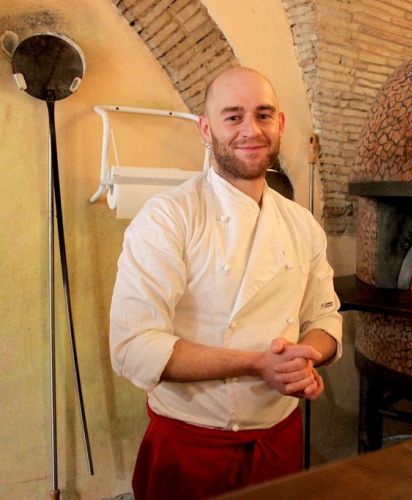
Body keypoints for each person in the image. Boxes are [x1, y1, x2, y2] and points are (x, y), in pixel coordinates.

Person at [109, 67, 343, 500]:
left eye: (263, 115)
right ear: (206, 128)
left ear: (280, 124)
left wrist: (305, 356)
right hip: (192, 447)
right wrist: (258, 363)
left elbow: (325, 317)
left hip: (281, 440)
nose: (250, 130)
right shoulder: (169, 217)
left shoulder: (302, 223)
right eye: (233, 117)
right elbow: (133, 346)